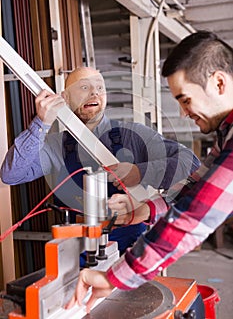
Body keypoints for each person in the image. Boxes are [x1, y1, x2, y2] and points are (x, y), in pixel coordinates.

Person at [65, 30, 233, 313]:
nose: (182, 113)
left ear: (218, 83)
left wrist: (114, 277)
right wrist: (140, 210)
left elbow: (192, 217)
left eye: (185, 100)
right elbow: (194, 187)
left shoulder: (130, 133)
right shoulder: (225, 133)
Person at [0, 67, 199, 256]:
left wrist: (140, 172)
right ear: (65, 98)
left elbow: (190, 163)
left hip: (127, 243)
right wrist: (41, 123)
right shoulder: (56, 146)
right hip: (74, 244)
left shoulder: (132, 135)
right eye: (84, 87)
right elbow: (12, 174)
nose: (94, 93)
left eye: (100, 88)